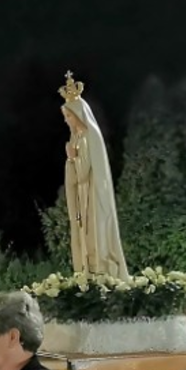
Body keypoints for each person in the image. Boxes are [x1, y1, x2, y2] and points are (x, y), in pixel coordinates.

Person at [59, 72, 128, 279]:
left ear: (78, 114)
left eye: (68, 116)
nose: (66, 120)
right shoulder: (77, 138)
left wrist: (72, 158)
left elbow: (82, 173)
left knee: (95, 235)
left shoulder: (89, 137)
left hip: (93, 196)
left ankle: (102, 272)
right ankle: (88, 272)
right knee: (85, 235)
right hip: (84, 195)